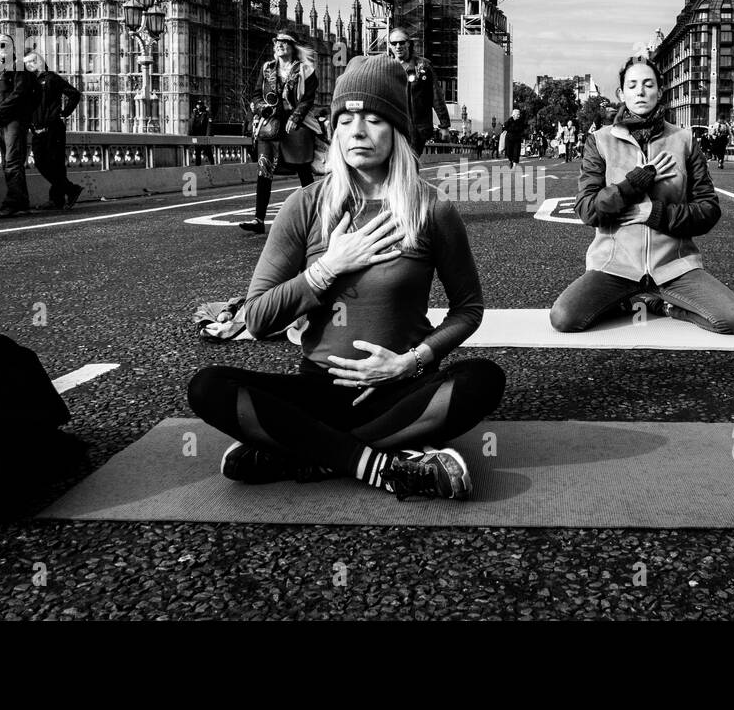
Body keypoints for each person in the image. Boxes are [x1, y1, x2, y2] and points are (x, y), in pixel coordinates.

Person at [188, 54, 505, 500]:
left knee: (483, 380)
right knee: (208, 387)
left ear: (396, 130)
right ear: (334, 131)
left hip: (398, 388)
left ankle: (300, 449)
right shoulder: (305, 206)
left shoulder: (431, 208)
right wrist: (326, 268)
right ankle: (381, 466)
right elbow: (258, 319)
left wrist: (409, 361)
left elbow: (468, 309)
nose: (357, 130)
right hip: (318, 388)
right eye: (345, 119)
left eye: (374, 118)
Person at [549, 57, 734, 335]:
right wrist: (635, 182)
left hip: (675, 267)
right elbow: (588, 210)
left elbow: (708, 210)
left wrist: (656, 214)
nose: (640, 91)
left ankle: (660, 304)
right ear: (622, 93)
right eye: (632, 85)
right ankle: (630, 298)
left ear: (660, 91)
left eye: (648, 84)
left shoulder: (684, 140)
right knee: (564, 318)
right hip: (615, 266)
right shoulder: (600, 140)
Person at [240, 31, 318, 235]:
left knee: (303, 170)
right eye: (277, 42)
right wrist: (261, 107)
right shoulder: (267, 68)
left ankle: (317, 215)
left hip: (294, 125)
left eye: (284, 42)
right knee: (264, 170)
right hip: (270, 125)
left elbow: (308, 98)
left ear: (293, 47)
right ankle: (259, 220)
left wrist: (295, 117)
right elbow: (257, 94)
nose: (279, 45)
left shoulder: (306, 70)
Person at [0, 36, 39, 216]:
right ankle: (22, 202)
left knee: (12, 162)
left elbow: (19, 94)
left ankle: (12, 203)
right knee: (11, 162)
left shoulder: (18, 67)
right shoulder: (0, 69)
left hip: (14, 121)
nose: (2, 47)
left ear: (12, 47)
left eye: (6, 44)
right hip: (3, 121)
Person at [27, 52, 84, 211]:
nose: (31, 65)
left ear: (41, 62)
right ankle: (71, 189)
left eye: (33, 61)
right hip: (37, 130)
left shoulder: (52, 78)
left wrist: (64, 113)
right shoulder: (28, 83)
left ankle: (56, 200)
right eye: (27, 63)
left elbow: (74, 94)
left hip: (53, 128)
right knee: (40, 162)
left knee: (56, 164)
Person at [386, 28, 450, 156]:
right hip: (392, 126)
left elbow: (436, 96)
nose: (398, 46)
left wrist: (444, 125)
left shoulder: (423, 66)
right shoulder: (385, 67)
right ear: (389, 46)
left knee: (410, 164)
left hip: (416, 129)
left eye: (402, 42)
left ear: (408, 43)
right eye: (394, 43)